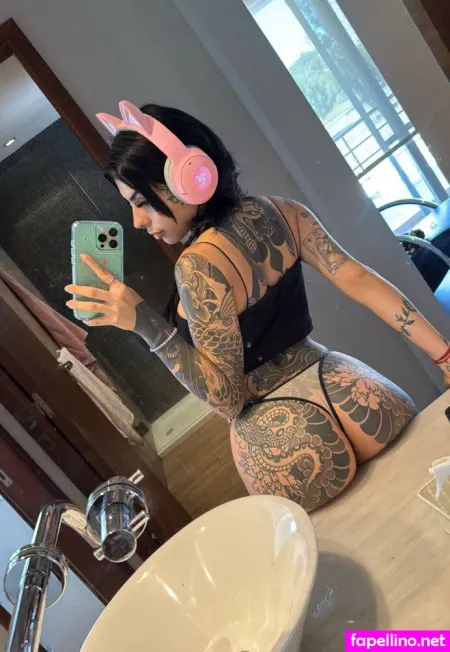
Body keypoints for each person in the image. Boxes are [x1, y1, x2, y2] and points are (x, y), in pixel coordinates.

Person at [65, 101, 450, 511]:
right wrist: (443, 354)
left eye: (141, 201)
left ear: (185, 177)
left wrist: (143, 322)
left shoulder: (197, 267)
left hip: (282, 435)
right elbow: (359, 279)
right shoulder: (283, 210)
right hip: (354, 388)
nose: (138, 221)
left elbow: (228, 398)